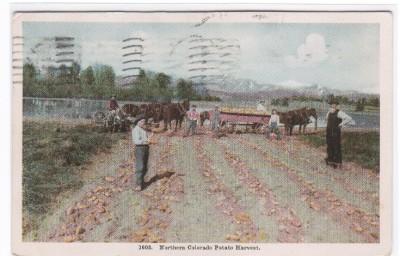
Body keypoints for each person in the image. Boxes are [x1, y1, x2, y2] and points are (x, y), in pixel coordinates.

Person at [325, 99, 355, 169]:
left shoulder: (340, 112)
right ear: (330, 105)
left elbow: (349, 118)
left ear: (336, 105)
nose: (333, 105)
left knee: (336, 146)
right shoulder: (328, 112)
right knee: (329, 146)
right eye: (332, 104)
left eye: (334, 104)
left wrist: (340, 124)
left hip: (335, 132)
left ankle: (337, 162)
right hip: (329, 131)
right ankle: (330, 160)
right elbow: (327, 120)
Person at [132, 116, 153, 191]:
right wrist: (147, 141)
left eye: (144, 121)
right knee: (140, 166)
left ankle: (142, 182)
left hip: (145, 148)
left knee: (145, 166)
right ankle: (138, 185)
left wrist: (149, 138)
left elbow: (146, 139)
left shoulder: (143, 130)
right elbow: (137, 141)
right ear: (138, 122)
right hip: (140, 148)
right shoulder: (135, 130)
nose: (143, 123)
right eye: (142, 121)